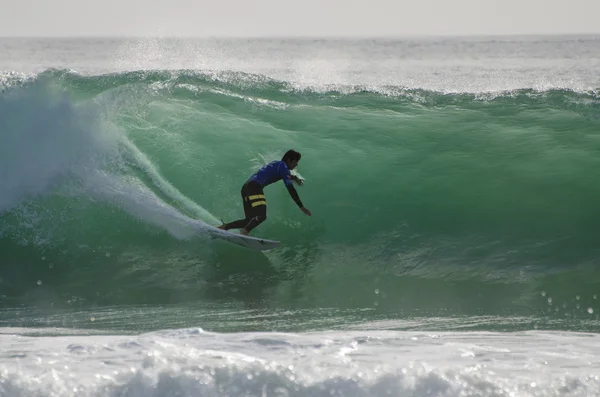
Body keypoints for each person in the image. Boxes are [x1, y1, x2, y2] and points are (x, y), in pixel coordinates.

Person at [218, 149, 311, 235]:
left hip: (246, 187)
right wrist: (301, 206)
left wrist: (295, 178)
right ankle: (243, 233)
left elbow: (281, 174)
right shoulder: (283, 167)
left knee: (249, 220)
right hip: (255, 187)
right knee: (261, 216)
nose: (296, 164)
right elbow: (290, 188)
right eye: (295, 162)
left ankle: (223, 227)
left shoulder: (277, 164)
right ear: (289, 160)